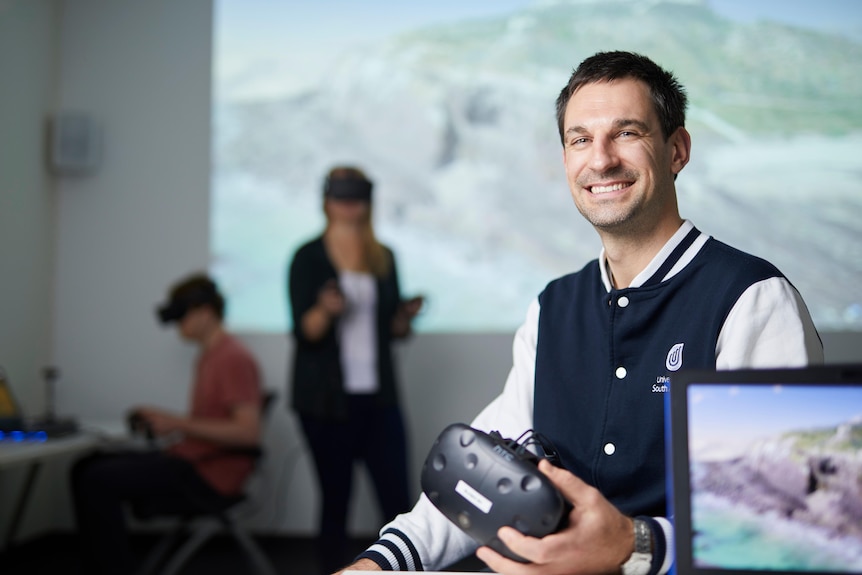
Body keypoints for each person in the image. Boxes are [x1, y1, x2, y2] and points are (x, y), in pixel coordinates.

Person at [337, 51, 823, 575]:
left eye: (627, 133)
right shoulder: (552, 309)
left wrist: (633, 545)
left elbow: (787, 525)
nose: (602, 159)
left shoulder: (751, 300)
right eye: (580, 139)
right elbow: (476, 477)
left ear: (677, 149)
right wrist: (379, 564)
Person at [70, 273, 263, 575]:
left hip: (209, 475)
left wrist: (177, 423)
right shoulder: (210, 355)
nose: (178, 325)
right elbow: (208, 424)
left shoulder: (232, 358)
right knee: (84, 467)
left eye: (182, 315)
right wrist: (172, 423)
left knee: (96, 479)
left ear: (205, 312)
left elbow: (248, 433)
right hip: (193, 460)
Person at [288, 166, 424, 573]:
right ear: (327, 201)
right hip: (325, 403)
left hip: (378, 399)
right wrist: (326, 312)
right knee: (335, 501)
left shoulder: (383, 258)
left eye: (356, 197)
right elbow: (304, 331)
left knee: (396, 501)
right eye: (341, 197)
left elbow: (394, 331)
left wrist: (404, 316)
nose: (348, 205)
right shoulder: (307, 257)